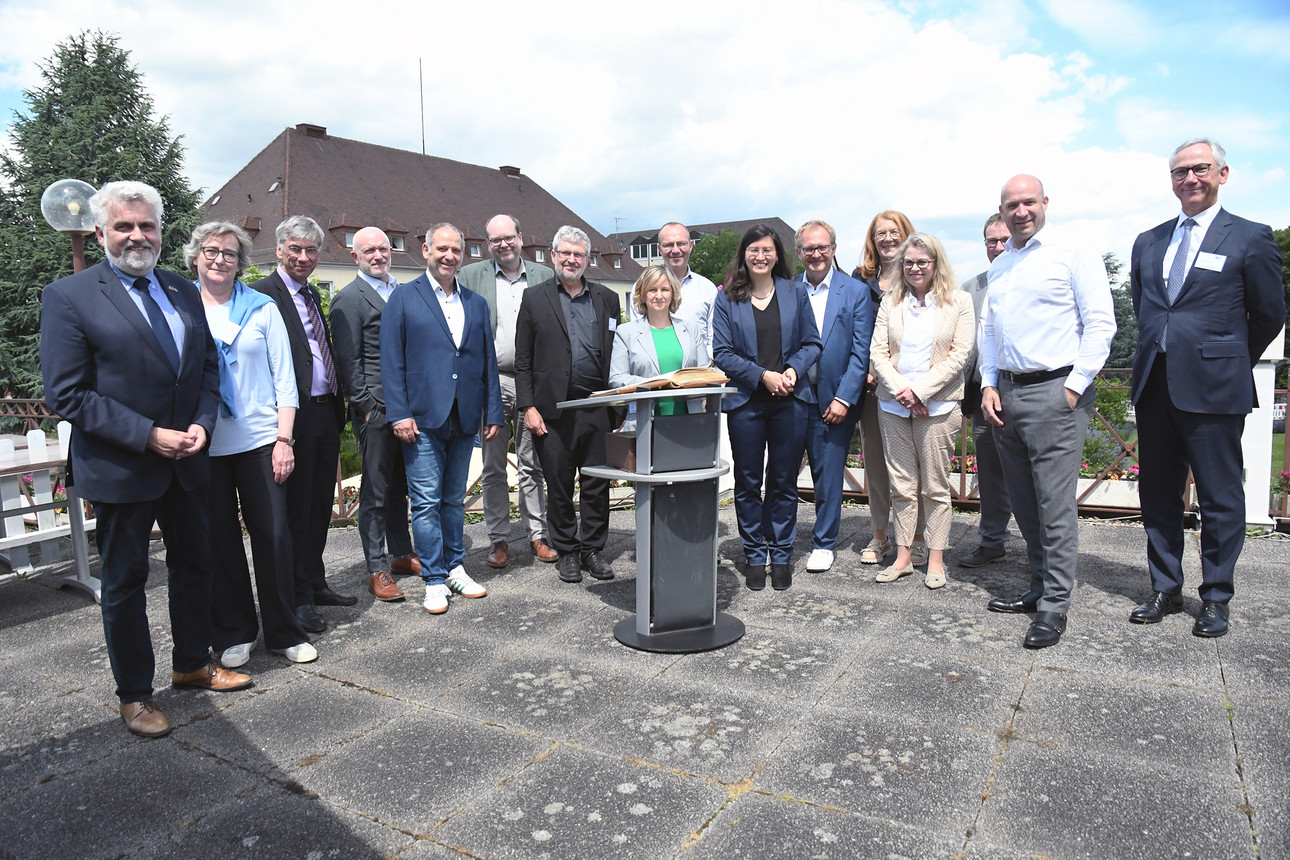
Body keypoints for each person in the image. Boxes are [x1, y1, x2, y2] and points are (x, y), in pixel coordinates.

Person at [40, 181, 251, 738]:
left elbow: (207, 368)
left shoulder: (183, 291)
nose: (137, 236)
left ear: (160, 231)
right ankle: (134, 695)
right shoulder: (70, 296)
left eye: (147, 226)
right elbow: (67, 395)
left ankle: (190, 664)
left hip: (186, 463)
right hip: (123, 466)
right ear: (100, 231)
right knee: (127, 582)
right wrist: (148, 434)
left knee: (194, 567)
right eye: (124, 226)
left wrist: (203, 424)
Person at [1128, 138, 1285, 638]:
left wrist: (1225, 355)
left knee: (1220, 496)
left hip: (1215, 387)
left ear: (1222, 173)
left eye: (1199, 169)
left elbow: (1268, 314)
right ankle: (1165, 587)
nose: (1189, 179)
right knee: (1158, 492)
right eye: (1179, 172)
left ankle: (1216, 595)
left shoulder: (1249, 237)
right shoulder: (1149, 241)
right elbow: (1147, 308)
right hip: (1156, 384)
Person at [980, 174, 1116, 649]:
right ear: (1002, 209)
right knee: (1023, 502)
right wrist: (989, 384)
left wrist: (1075, 388)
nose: (1021, 212)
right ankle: (1038, 586)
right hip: (1008, 396)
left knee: (1055, 506)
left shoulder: (1073, 252)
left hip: (1057, 391)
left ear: (1045, 203)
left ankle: (1056, 605)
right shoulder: (1002, 266)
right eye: (1011, 204)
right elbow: (991, 332)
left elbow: (1101, 322)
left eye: (1028, 202)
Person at [189, 222, 316, 666]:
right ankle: (236, 631)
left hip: (262, 440)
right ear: (196, 257)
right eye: (210, 251)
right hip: (204, 443)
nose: (219, 259)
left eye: (228, 253)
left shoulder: (261, 308)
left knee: (275, 536)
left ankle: (283, 632)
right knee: (220, 542)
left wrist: (285, 439)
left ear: (240, 262)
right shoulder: (181, 307)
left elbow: (285, 378)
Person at [381, 223, 504, 615]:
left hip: (464, 416)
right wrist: (398, 413)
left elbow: (485, 362)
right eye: (442, 249)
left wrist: (493, 411)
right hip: (421, 418)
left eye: (456, 250)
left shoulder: (475, 303)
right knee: (425, 501)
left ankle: (454, 566)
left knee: (453, 500)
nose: (449, 256)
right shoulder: (403, 298)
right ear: (426, 250)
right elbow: (391, 361)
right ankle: (433, 578)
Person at [252, 216, 355, 635]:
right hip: (288, 417)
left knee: (317, 508)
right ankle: (295, 598)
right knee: (294, 511)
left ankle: (314, 581)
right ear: (278, 250)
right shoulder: (262, 295)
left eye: (311, 251)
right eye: (294, 249)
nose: (303, 257)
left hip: (324, 411)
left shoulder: (312, 294)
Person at [712, 225, 822, 591]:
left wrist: (791, 370)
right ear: (743, 254)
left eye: (768, 250)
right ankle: (755, 553)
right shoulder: (727, 297)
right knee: (747, 482)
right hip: (747, 403)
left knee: (783, 481)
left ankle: (782, 551)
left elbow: (812, 342)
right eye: (754, 250)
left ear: (778, 255)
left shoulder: (795, 292)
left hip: (791, 401)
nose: (761, 256)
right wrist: (763, 376)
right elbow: (722, 352)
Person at [515, 226, 623, 585]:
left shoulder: (607, 298)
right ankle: (568, 551)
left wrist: (617, 406)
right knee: (559, 484)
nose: (572, 259)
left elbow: (616, 352)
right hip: (552, 408)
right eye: (566, 253)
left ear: (587, 259)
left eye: (579, 254)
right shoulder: (534, 298)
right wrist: (528, 407)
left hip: (596, 405)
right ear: (553, 255)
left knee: (596, 483)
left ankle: (592, 549)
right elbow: (523, 359)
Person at [869, 233, 975, 589]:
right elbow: (878, 353)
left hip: (939, 406)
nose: (915, 268)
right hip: (893, 405)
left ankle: (935, 559)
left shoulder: (959, 302)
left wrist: (919, 391)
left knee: (934, 486)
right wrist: (903, 391)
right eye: (909, 262)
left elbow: (960, 355)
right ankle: (902, 558)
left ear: (936, 264)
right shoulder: (890, 302)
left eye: (922, 262)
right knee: (901, 486)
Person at [458, 215, 558, 569]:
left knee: (533, 465)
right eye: (495, 239)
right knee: (493, 465)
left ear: (521, 236)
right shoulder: (470, 276)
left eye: (508, 237)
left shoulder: (545, 275)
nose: (503, 244)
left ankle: (536, 534)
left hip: (533, 383)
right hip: (492, 381)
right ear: (488, 243)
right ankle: (498, 538)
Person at [330, 226, 420, 604]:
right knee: (376, 491)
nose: (378, 255)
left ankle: (401, 553)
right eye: (369, 250)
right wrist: (366, 408)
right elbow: (348, 362)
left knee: (400, 487)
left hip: (407, 406)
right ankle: (376, 567)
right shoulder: (349, 299)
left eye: (384, 248)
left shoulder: (401, 292)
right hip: (377, 410)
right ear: (355, 256)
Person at [792, 220, 872, 573]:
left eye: (822, 247)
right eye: (809, 248)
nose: (816, 254)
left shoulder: (854, 291)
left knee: (828, 476)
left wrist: (845, 397)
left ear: (834, 249)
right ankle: (780, 536)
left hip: (835, 400)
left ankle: (824, 542)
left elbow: (861, 351)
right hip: (792, 399)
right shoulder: (786, 290)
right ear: (799, 253)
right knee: (781, 473)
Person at [852, 211, 927, 566]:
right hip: (872, 387)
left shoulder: (921, 273)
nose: (887, 239)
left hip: (916, 387)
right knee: (879, 466)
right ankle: (880, 533)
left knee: (917, 463)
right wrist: (863, 372)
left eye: (894, 232)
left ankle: (916, 536)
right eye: (880, 233)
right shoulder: (861, 278)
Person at [957, 214, 1016, 568]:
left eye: (1003, 239)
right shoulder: (970, 287)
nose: (998, 247)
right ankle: (993, 539)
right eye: (991, 241)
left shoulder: (1031, 276)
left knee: (1033, 475)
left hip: (1026, 389)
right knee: (990, 473)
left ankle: (1045, 550)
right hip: (983, 393)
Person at [610, 265, 710, 397]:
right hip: (644, 413)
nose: (659, 296)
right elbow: (616, 378)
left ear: (673, 293)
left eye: (665, 290)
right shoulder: (625, 333)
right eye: (652, 290)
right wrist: (654, 383)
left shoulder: (691, 329)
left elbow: (706, 374)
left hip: (690, 413)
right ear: (643, 295)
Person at [628, 222, 718, 348]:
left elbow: (713, 336)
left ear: (690, 246)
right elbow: (638, 334)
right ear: (659, 249)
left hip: (699, 366)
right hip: (657, 365)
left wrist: (707, 363)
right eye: (669, 245)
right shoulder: (643, 286)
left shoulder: (707, 289)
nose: (676, 250)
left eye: (681, 244)